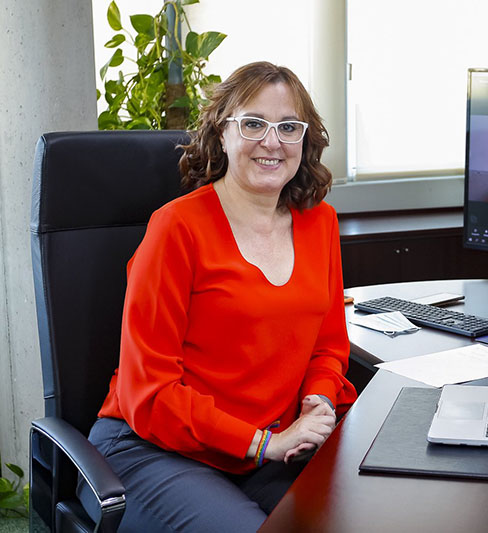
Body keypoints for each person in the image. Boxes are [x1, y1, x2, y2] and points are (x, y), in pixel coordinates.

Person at [77, 61, 357, 532]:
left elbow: (327, 346)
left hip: (268, 450)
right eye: (253, 123)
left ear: (305, 140)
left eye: (289, 127)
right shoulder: (176, 229)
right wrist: (265, 443)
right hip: (153, 449)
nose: (272, 141)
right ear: (221, 133)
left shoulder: (320, 223)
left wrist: (318, 400)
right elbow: (150, 394)